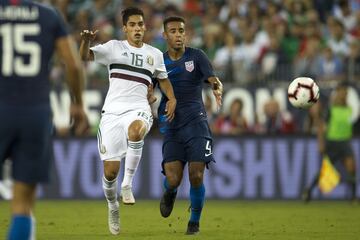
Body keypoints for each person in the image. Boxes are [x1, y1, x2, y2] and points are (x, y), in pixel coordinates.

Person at [79, 7, 176, 235]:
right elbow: (85, 56)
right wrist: (85, 42)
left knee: (136, 131)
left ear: (145, 27)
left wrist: (171, 98)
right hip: (112, 113)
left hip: (139, 108)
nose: (137, 29)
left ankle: (128, 184)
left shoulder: (155, 54)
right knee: (110, 172)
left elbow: (163, 79)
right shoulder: (113, 48)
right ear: (125, 28)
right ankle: (113, 205)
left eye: (140, 24)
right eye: (132, 25)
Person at [0, 0, 89, 239]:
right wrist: (78, 104)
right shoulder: (48, 15)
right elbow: (73, 64)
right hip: (35, 112)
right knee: (22, 204)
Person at [157, 16, 223, 235]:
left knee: (196, 174)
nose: (179, 34)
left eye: (182, 30)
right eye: (173, 31)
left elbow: (212, 77)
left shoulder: (197, 56)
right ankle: (169, 191)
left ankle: (194, 222)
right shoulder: (158, 60)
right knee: (174, 178)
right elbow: (148, 85)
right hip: (172, 124)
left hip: (196, 123)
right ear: (165, 35)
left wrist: (216, 86)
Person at [302, 82, 357, 202]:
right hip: (332, 143)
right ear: (338, 94)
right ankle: (309, 190)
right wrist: (320, 142)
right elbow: (321, 126)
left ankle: (353, 197)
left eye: (346, 93)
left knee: (352, 168)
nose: (344, 95)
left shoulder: (349, 109)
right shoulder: (330, 109)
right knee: (325, 171)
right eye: (343, 92)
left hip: (345, 142)